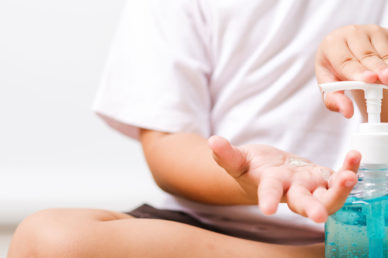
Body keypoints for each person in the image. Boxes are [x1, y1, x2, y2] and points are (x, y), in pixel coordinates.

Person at [8, 0, 388, 257]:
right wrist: (247, 179)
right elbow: (169, 145)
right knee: (51, 239)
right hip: (201, 232)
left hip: (376, 229)